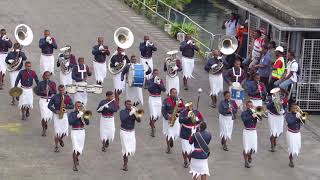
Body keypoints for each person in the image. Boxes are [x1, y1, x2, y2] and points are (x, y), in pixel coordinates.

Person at [48, 85, 74, 152]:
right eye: (60, 90)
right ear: (58, 90)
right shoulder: (55, 97)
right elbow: (49, 105)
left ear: (64, 89)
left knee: (65, 131)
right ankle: (56, 146)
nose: (62, 91)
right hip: (57, 115)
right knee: (57, 132)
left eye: (62, 90)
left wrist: (66, 107)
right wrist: (55, 110)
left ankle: (60, 139)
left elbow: (72, 106)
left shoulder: (67, 97)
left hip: (64, 115)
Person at [179, 102, 203, 168]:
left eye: (191, 106)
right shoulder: (183, 112)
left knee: (192, 148)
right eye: (188, 106)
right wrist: (187, 117)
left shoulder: (196, 112)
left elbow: (201, 119)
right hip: (185, 133)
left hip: (194, 131)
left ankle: (191, 161)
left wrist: (198, 120)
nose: (190, 107)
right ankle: (185, 160)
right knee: (185, 149)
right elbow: (180, 120)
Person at [119, 100, 141, 171]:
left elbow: (139, 120)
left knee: (131, 148)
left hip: (131, 132)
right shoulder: (122, 112)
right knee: (125, 149)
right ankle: (125, 165)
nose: (129, 105)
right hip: (124, 132)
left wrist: (136, 113)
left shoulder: (133, 111)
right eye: (128, 104)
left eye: (130, 104)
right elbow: (123, 119)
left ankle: (126, 160)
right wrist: (130, 114)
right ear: (125, 105)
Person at [68, 101, 90, 171]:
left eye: (80, 106)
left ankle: (77, 157)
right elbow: (70, 122)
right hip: (74, 132)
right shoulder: (72, 113)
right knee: (75, 148)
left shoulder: (83, 113)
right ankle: (74, 165)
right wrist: (77, 117)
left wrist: (85, 115)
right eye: (77, 106)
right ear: (75, 106)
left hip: (82, 132)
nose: (79, 107)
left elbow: (87, 123)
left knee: (80, 148)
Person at [162, 88, 184, 153]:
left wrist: (180, 109)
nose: (174, 94)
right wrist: (167, 117)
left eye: (175, 93)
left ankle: (172, 139)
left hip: (176, 117)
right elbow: (163, 111)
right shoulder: (166, 101)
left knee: (176, 132)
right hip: (168, 118)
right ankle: (168, 147)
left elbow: (184, 108)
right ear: (170, 93)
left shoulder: (179, 100)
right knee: (168, 133)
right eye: (173, 93)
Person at [34, 71, 57, 136]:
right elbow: (37, 92)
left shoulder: (52, 83)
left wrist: (50, 90)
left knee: (48, 116)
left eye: (48, 75)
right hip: (43, 100)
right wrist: (43, 92)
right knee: (44, 116)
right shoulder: (40, 83)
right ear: (43, 76)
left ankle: (45, 123)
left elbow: (55, 92)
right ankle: (44, 129)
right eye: (46, 76)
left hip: (50, 100)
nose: (47, 77)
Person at [241, 100, 260, 168]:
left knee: (252, 146)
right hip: (247, 131)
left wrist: (258, 113)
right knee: (246, 147)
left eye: (251, 106)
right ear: (246, 106)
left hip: (254, 131)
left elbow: (260, 119)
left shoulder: (254, 112)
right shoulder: (244, 113)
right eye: (249, 106)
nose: (250, 107)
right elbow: (244, 120)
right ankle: (246, 162)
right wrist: (252, 116)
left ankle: (249, 155)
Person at [147, 69, 166, 137]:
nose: (156, 75)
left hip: (158, 98)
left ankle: (151, 123)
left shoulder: (160, 80)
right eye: (155, 73)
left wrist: (159, 83)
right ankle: (153, 129)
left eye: (157, 73)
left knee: (158, 115)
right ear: (153, 74)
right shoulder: (149, 81)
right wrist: (154, 83)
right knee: (153, 114)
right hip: (152, 98)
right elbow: (149, 89)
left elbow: (164, 89)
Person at [285, 103, 303, 168]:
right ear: (291, 108)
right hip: (291, 133)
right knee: (291, 147)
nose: (295, 109)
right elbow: (289, 122)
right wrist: (296, 117)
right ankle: (291, 161)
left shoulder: (298, 114)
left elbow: (303, 122)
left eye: (297, 108)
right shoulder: (288, 115)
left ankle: (291, 159)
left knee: (298, 147)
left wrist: (301, 116)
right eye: (294, 108)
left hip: (298, 133)